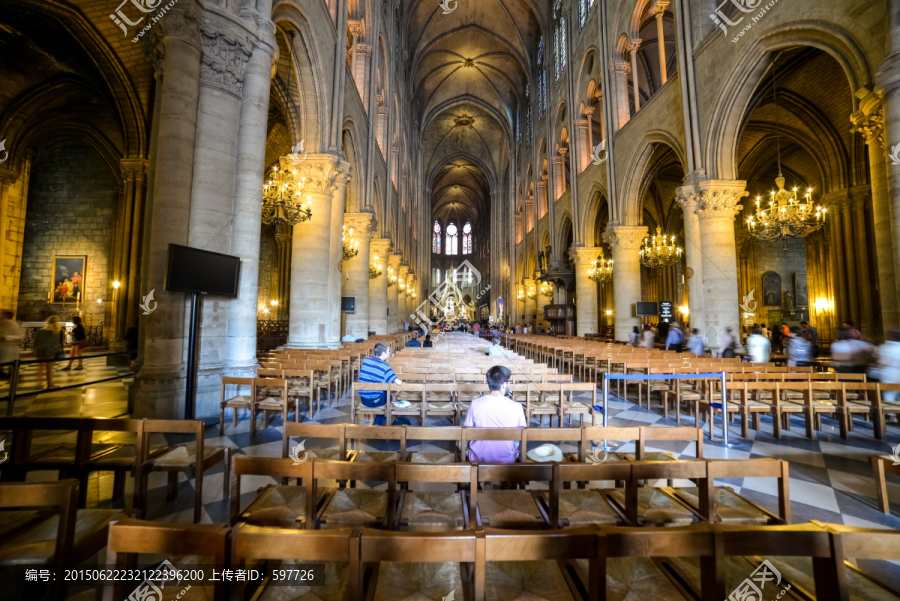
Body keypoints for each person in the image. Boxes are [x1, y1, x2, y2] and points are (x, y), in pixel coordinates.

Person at [462, 365, 526, 463]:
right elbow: (523, 436)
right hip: (507, 460)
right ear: (504, 385)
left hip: (478, 460)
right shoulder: (517, 407)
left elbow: (467, 431)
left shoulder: (475, 404)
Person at [358, 342, 404, 425]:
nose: (390, 353)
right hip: (375, 401)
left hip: (363, 399)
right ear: (383, 353)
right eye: (388, 351)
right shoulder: (385, 367)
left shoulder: (365, 361)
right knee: (390, 396)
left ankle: (378, 420)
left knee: (384, 391)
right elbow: (398, 382)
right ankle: (379, 421)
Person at [874, 330, 900, 422]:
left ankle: (892, 416)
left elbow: (881, 362)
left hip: (889, 375)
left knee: (889, 395)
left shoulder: (884, 347)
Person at [34, 315, 64, 389]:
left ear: (48, 321)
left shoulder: (41, 330)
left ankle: (39, 383)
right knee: (50, 368)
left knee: (40, 367)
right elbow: (61, 341)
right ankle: (50, 384)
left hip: (39, 350)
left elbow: (35, 341)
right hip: (50, 350)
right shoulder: (60, 330)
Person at [0, 310, 24, 379]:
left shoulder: (13, 324)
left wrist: (6, 336)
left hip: (11, 346)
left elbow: (20, 335)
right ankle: (2, 373)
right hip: (3, 346)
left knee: (10, 361)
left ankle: (11, 374)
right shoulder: (2, 323)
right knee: (3, 360)